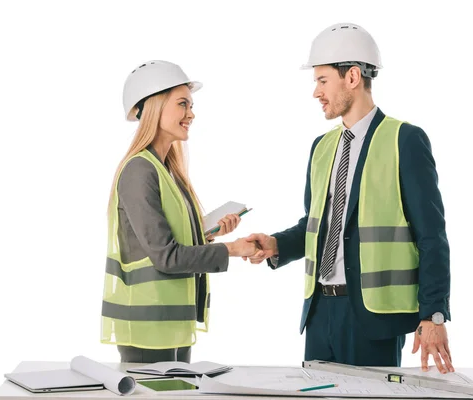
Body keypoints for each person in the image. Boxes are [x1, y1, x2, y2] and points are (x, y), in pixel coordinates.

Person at [245, 23, 453, 373]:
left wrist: (433, 313)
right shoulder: (322, 147)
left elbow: (432, 237)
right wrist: (276, 244)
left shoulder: (405, 141)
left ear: (353, 77)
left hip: (372, 318)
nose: (316, 92)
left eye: (322, 81)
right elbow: (316, 226)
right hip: (319, 313)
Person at [101, 60, 257, 363]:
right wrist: (233, 249)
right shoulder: (139, 171)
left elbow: (166, 242)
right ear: (156, 107)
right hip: (148, 327)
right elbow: (166, 257)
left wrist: (206, 233)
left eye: (191, 104)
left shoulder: (167, 171)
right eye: (182, 104)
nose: (191, 113)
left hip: (171, 323)